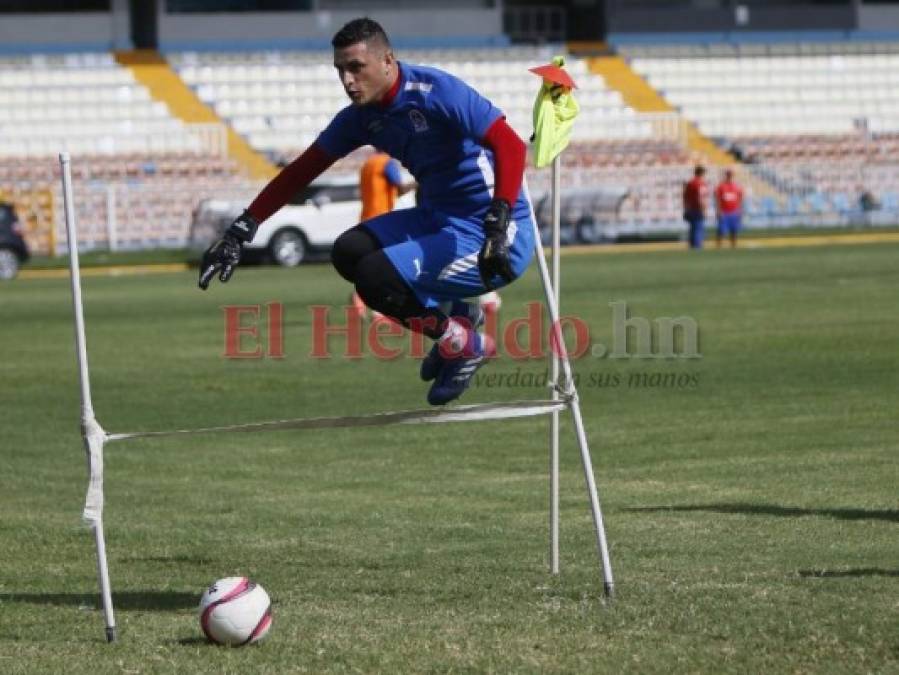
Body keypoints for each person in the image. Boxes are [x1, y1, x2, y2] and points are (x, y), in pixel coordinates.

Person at [198, 17, 534, 406]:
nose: (347, 80)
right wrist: (242, 229)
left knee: (375, 279)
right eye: (340, 70)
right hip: (440, 221)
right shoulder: (360, 118)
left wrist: (499, 219)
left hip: (494, 235)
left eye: (356, 67)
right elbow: (301, 171)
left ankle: (464, 343)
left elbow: (510, 145)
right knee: (349, 253)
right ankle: (457, 320)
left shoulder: (436, 90)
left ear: (387, 61)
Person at [359, 151, 414, 221]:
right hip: (381, 216)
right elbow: (401, 189)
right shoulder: (387, 162)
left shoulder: (367, 164)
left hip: (365, 217)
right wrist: (419, 182)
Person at [714, 168, 743, 248]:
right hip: (724, 212)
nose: (730, 176)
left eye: (731, 175)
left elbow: (740, 199)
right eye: (728, 174)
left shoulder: (737, 187)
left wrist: (740, 210)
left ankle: (733, 246)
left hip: (734, 211)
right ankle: (718, 246)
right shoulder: (721, 186)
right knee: (721, 231)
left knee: (734, 231)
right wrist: (718, 210)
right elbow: (717, 199)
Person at [682, 165, 708, 249]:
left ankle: (692, 246)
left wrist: (686, 208)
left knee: (692, 229)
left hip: (690, 209)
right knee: (698, 228)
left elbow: (685, 196)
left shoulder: (690, 183)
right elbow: (700, 197)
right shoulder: (700, 183)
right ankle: (697, 246)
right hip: (697, 209)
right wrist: (703, 209)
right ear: (702, 173)